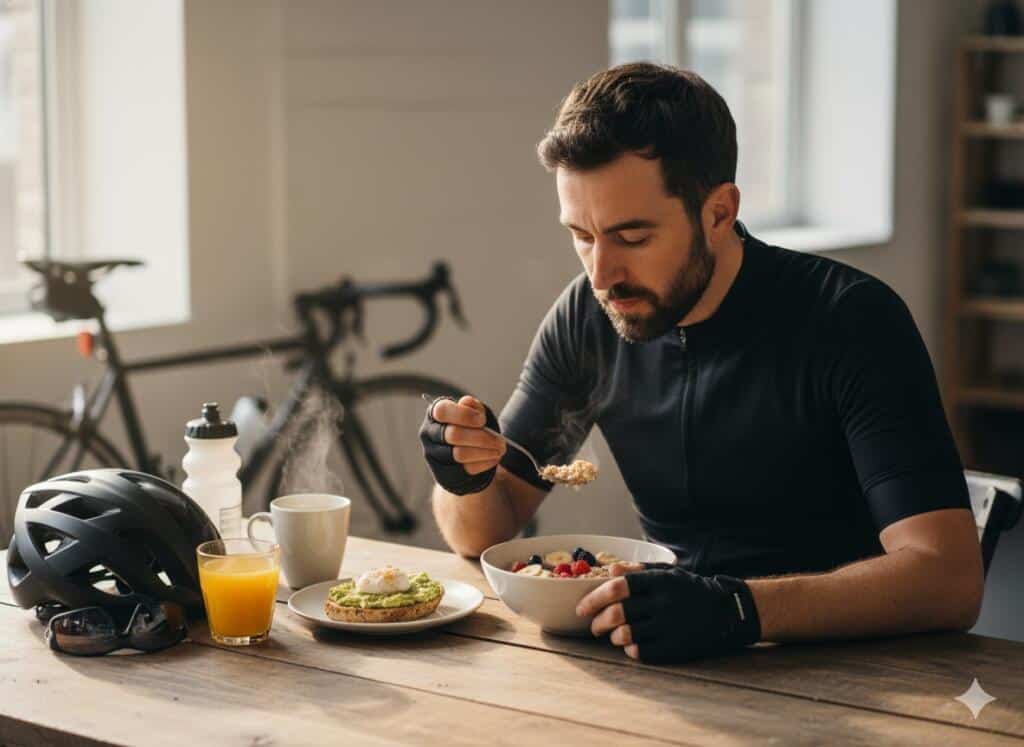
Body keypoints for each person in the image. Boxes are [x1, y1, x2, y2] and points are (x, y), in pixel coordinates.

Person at [419, 63, 983, 663]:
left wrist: (739, 607)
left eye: (632, 238)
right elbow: (484, 531)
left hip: (856, 670)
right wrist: (464, 476)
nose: (602, 274)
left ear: (718, 212)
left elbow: (948, 581)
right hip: (667, 654)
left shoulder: (851, 320)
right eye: (582, 235)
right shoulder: (587, 316)